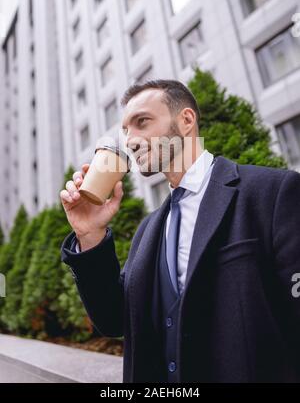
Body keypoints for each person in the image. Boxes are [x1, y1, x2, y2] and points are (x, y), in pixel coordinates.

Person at [60, 80, 300, 383]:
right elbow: (113, 320)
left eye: (142, 122)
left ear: (186, 121)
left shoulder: (272, 192)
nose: (131, 140)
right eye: (126, 130)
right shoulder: (148, 230)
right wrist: (90, 234)